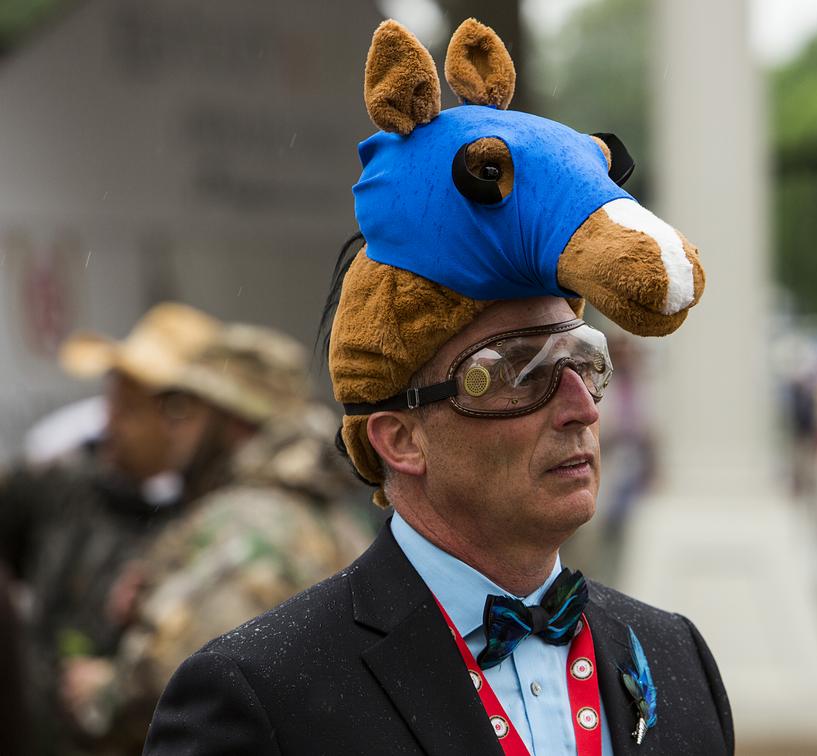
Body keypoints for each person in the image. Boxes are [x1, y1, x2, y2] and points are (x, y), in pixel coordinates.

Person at [144, 18, 732, 755]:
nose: (580, 408)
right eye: (521, 371)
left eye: (584, 361)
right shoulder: (260, 695)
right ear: (399, 437)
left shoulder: (676, 658)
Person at [62, 323, 372, 754]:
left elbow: (183, 677)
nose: (172, 427)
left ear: (235, 420)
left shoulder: (242, 523)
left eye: (185, 409)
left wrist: (97, 691)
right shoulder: (335, 517)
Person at [0, 301, 221, 755]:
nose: (110, 425)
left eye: (129, 411)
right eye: (112, 405)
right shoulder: (57, 486)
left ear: (181, 417)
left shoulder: (216, 525)